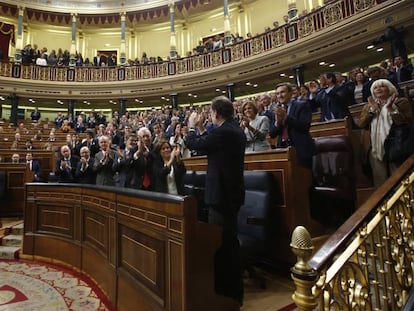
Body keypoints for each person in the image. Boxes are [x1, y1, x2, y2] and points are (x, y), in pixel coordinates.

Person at [186, 95, 246, 306]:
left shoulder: (224, 133)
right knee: (227, 243)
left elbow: (194, 144)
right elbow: (211, 144)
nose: (210, 116)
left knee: (222, 245)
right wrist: (203, 128)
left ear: (216, 113)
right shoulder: (232, 130)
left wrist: (193, 126)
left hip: (222, 196)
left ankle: (228, 294)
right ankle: (230, 292)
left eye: (211, 113)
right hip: (230, 194)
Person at [357, 79, 413, 188]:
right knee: (380, 180)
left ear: (389, 89)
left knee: (399, 178)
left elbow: (406, 122)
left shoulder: (401, 102)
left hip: (396, 145)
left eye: (382, 86)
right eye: (376, 88)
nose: (378, 89)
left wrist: (391, 109)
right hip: (375, 147)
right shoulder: (368, 106)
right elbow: (361, 124)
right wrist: (372, 111)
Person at [269, 83, 316, 169]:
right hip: (283, 149)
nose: (280, 96)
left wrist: (286, 117)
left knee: (306, 178)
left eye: (282, 92)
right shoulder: (276, 110)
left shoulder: (302, 105)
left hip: (301, 149)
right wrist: (277, 122)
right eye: (277, 93)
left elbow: (304, 127)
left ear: (290, 93)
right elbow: (272, 134)